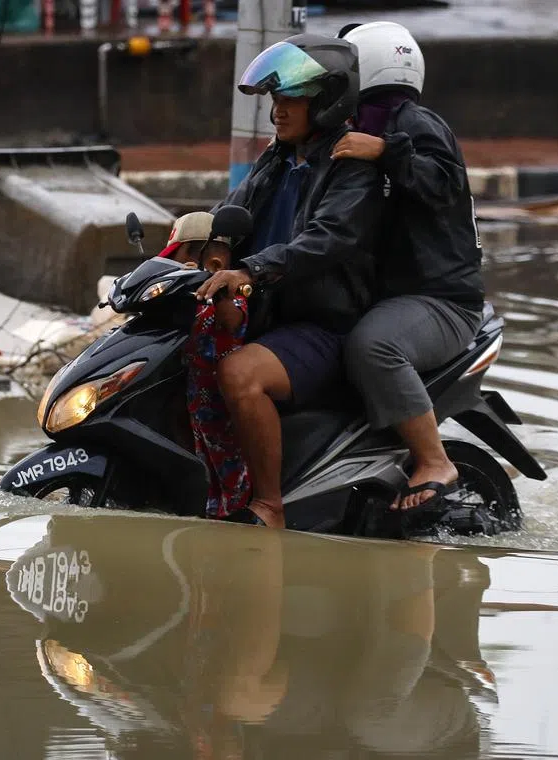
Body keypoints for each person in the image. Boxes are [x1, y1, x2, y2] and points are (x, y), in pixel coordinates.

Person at [195, 33, 384, 529]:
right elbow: (234, 209)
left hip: (323, 323)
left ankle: (270, 505)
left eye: (291, 100)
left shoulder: (350, 168)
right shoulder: (278, 157)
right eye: (275, 101)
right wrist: (212, 245)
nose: (278, 112)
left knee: (239, 374)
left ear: (325, 102)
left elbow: (326, 240)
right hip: (271, 310)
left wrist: (251, 271)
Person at [333, 22, 486, 515]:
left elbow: (442, 183)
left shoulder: (414, 125)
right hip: (397, 296)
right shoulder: (358, 126)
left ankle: (434, 460)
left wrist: (383, 152)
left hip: (442, 301)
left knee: (372, 346)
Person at [159, 211, 252, 518]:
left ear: (213, 264)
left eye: (181, 258)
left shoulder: (232, 293)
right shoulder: (187, 296)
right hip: (195, 396)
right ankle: (211, 515)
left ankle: (237, 518)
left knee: (227, 464)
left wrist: (220, 293)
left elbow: (234, 320)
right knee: (204, 463)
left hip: (221, 398)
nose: (175, 267)